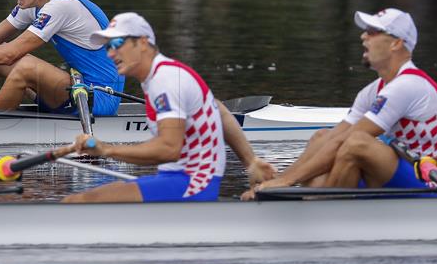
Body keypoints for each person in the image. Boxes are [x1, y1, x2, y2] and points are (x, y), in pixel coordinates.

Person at [243, 8, 437, 199]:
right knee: (321, 137)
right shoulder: (373, 90)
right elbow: (334, 138)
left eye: (372, 32)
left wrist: (285, 181)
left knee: (356, 143)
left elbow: (347, 140)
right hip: (402, 171)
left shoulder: (408, 85)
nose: (363, 37)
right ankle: (312, 204)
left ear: (396, 43)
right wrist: (278, 181)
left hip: (436, 184)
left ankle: (323, 210)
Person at [62, 12, 276, 203]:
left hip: (191, 183)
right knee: (93, 196)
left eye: (117, 43)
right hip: (178, 178)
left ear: (143, 43)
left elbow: (169, 149)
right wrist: (251, 162)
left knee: (77, 202)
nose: (110, 53)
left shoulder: (164, 80)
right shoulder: (165, 73)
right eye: (107, 47)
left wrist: (106, 149)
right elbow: (218, 109)